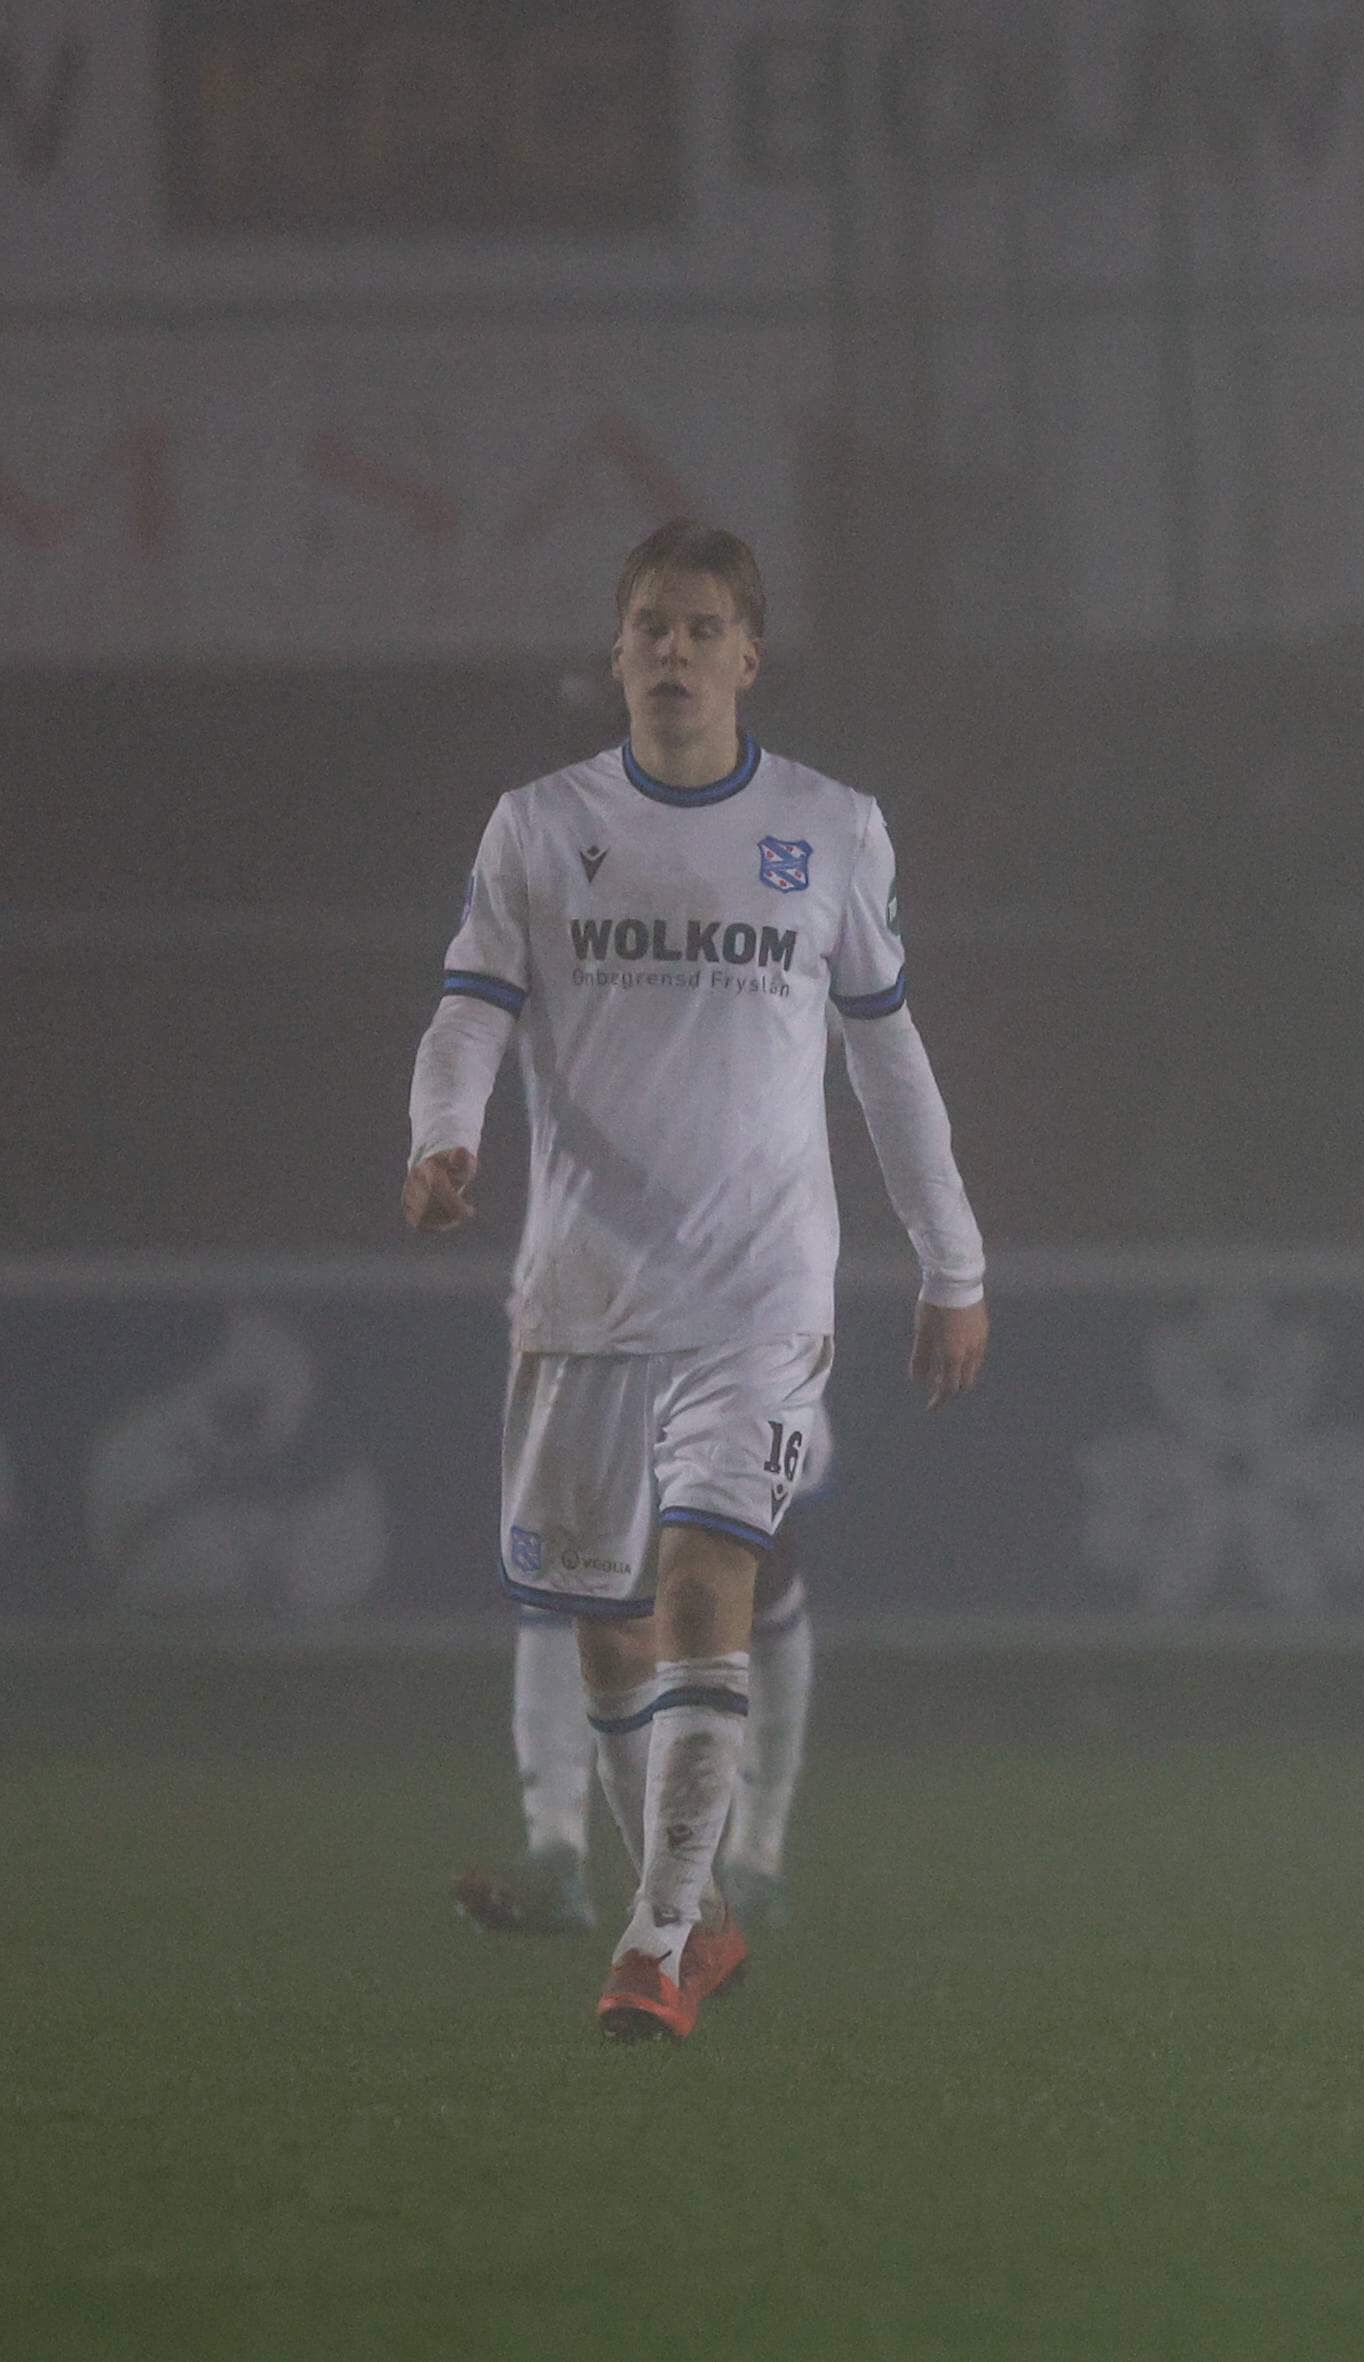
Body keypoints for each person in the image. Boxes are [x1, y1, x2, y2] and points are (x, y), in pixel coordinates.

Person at [405, 520, 988, 2041]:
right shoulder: (539, 827)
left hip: (762, 1290)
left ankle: (659, 1939)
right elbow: (468, 1013)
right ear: (618, 654)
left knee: (707, 1579)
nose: (674, 649)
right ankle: (704, 1910)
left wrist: (952, 1260)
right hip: (587, 1292)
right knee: (605, 1629)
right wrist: (442, 1134)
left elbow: (889, 1057)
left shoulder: (831, 828)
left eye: (702, 626)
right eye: (651, 625)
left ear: (749, 657)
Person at [452, 1419, 829, 1936]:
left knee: (755, 1555)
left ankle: (755, 1860)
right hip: (605, 1370)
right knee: (566, 1555)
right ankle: (556, 1849)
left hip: (741, 1372)